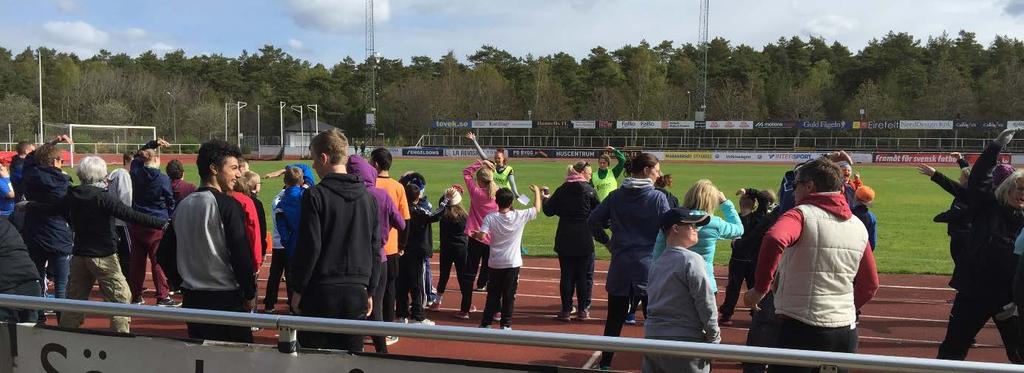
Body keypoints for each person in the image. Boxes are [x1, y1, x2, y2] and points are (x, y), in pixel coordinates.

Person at [744, 157, 880, 373]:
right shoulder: (857, 225)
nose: (793, 192)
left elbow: (775, 238)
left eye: (796, 185)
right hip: (844, 331)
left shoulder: (799, 215)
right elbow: (870, 284)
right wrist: (841, 307)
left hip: (800, 327)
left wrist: (760, 288)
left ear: (810, 186)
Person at [19, 156, 167, 333]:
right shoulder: (103, 198)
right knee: (121, 300)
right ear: (101, 176)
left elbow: (51, 209)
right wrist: (162, 223)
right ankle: (120, 338)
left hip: (80, 256)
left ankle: (66, 335)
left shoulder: (72, 195)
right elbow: (131, 215)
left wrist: (29, 205)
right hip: (104, 257)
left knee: (74, 302)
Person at [156, 139, 256, 343]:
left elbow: (163, 254)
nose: (238, 174)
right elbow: (240, 254)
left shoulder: (182, 205)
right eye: (234, 168)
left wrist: (182, 283)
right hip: (225, 300)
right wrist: (249, 293)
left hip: (193, 301)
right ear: (213, 168)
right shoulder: (228, 205)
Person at [290, 129, 380, 351]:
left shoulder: (315, 195)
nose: (313, 167)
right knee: (351, 359)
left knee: (315, 359)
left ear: (324, 158)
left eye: (313, 160)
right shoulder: (369, 199)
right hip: (356, 290)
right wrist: (370, 289)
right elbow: (375, 248)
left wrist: (298, 289)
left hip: (322, 289)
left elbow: (310, 246)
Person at [942, 128, 1024, 363]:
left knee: (1020, 355)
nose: (1021, 195)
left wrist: (1018, 300)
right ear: (1007, 189)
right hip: (973, 294)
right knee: (952, 352)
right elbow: (979, 178)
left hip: (1009, 301)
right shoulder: (988, 208)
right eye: (1018, 189)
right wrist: (995, 147)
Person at [588, 153, 670, 370]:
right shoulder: (658, 198)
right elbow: (670, 228)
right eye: (656, 170)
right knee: (654, 321)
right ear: (645, 171)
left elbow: (593, 220)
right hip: (649, 267)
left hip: (621, 266)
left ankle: (605, 364)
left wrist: (607, 242)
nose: (659, 174)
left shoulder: (615, 196)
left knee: (613, 320)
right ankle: (657, 365)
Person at [643, 208, 717, 373]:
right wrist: (714, 338)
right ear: (675, 229)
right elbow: (705, 301)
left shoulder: (657, 263)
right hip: (684, 341)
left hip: (653, 339)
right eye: (691, 225)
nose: (696, 229)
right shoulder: (692, 259)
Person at [348, 153, 405, 351]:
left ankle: (356, 346)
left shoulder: (350, 194)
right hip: (379, 257)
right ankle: (381, 349)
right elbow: (401, 223)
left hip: (354, 258)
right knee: (376, 305)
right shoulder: (382, 195)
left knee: (353, 306)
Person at [654, 179, 744, 295]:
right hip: (705, 283)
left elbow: (658, 255)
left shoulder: (673, 219)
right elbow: (739, 229)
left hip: (675, 283)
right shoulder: (715, 223)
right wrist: (725, 203)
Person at [471, 185, 543, 330]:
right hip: (512, 263)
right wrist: (537, 192)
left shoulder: (490, 218)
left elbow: (482, 235)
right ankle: (506, 324)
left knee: (493, 294)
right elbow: (537, 209)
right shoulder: (519, 215)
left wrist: (475, 234)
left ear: (496, 201)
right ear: (511, 203)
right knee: (509, 295)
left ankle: (486, 323)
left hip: (495, 263)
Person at [21, 135, 74, 320]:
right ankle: (62, 322)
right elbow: (66, 210)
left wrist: (51, 143)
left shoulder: (30, 176)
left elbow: (29, 159)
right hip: (58, 234)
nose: (63, 163)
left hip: (34, 234)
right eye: (61, 160)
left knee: (37, 279)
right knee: (61, 283)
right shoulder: (62, 183)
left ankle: (38, 317)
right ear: (53, 162)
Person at [543, 162, 600, 321]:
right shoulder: (590, 190)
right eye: (588, 173)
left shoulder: (563, 189)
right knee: (583, 275)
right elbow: (599, 212)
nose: (590, 176)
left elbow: (548, 211)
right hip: (584, 236)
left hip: (565, 235)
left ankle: (566, 310)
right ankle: (583, 310)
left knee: (567, 275)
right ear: (581, 173)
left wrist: (545, 198)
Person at [128, 139, 178, 307]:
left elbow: (136, 156)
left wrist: (152, 144)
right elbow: (170, 200)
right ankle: (162, 296)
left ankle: (135, 295)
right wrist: (170, 216)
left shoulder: (135, 172)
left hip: (137, 220)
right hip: (156, 222)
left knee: (137, 260)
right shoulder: (162, 179)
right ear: (156, 160)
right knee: (157, 261)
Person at [719, 188, 776, 326]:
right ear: (755, 204)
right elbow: (764, 199)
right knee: (754, 287)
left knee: (733, 288)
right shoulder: (759, 217)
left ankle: (727, 314)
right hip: (754, 260)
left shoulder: (735, 219)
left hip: (738, 260)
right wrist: (749, 190)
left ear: (740, 204)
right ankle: (756, 313)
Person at [369, 148, 410, 327]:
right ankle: (388, 326)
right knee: (389, 288)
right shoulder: (398, 187)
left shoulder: (368, 185)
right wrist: (402, 245)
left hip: (370, 246)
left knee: (370, 289)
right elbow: (405, 219)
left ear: (375, 164)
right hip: (391, 247)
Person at [397, 183, 446, 325]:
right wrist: (446, 200)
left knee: (402, 284)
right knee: (417, 285)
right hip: (417, 252)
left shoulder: (400, 210)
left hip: (401, 251)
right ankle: (418, 315)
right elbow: (436, 215)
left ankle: (401, 314)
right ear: (418, 197)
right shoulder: (419, 212)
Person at [917, 155, 972, 270]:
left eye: (961, 177)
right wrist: (960, 159)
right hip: (966, 235)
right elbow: (968, 173)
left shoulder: (965, 197)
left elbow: (955, 213)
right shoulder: (973, 190)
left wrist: (939, 217)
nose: (959, 179)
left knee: (962, 269)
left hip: (961, 237)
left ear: (966, 180)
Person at [264, 167, 304, 314]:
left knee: (274, 275)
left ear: (284, 181)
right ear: (301, 181)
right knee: (291, 276)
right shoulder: (304, 196)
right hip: (295, 245)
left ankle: (269, 304)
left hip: (278, 242)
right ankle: (293, 306)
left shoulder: (277, 199)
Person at [431, 185, 474, 317]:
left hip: (446, 248)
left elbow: (440, 205)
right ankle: (466, 305)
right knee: (463, 277)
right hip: (461, 249)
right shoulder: (464, 216)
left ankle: (437, 301)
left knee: (444, 275)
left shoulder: (443, 214)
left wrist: (447, 196)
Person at [464, 158, 500, 295]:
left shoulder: (476, 192)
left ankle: (465, 304)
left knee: (471, 268)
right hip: (491, 235)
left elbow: (466, 173)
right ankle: (482, 284)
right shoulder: (498, 193)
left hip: (475, 235)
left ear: (479, 181)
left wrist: (482, 162)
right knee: (488, 265)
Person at [0, 217, 43, 323]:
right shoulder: (6, 224)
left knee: (6, 335)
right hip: (31, 282)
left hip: (7, 287)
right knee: (31, 332)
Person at [466, 132, 523, 201]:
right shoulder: (492, 165)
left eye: (499, 158)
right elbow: (482, 155)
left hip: (506, 196)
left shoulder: (509, 169)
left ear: (503, 158)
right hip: (494, 194)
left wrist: (516, 194)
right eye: (495, 157)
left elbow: (512, 184)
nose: (496, 159)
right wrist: (474, 141)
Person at [231, 171, 264, 274]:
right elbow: (254, 231)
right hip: (243, 252)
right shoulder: (247, 201)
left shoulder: (221, 197)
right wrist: (257, 260)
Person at [107, 152, 134, 279]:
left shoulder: (114, 174)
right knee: (128, 253)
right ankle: (128, 281)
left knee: (118, 253)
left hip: (113, 219)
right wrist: (130, 216)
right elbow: (125, 198)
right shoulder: (124, 175)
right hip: (123, 221)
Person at [854, 186, 878, 251]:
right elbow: (872, 242)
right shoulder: (872, 217)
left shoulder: (850, 213)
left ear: (856, 198)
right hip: (864, 250)